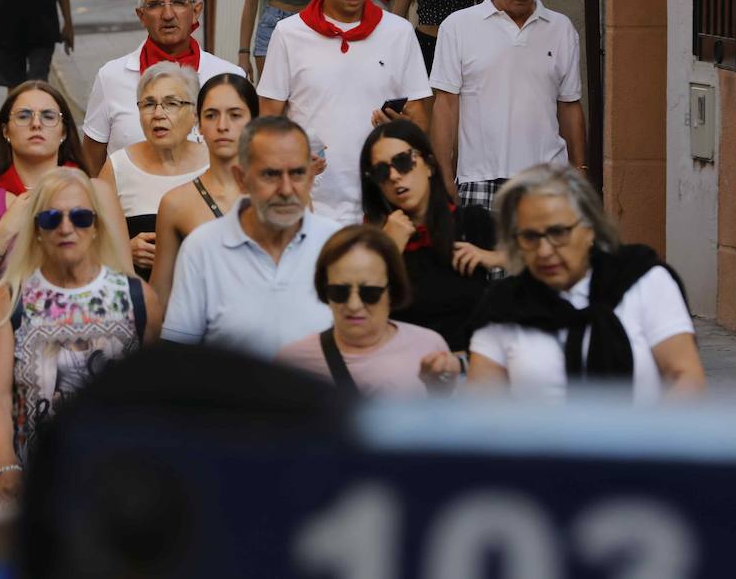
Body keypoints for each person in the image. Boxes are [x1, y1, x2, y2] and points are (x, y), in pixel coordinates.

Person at [431, 164, 706, 403]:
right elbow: (482, 408)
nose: (544, 251)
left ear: (589, 230)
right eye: (529, 237)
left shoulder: (642, 280)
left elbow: (685, 377)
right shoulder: (503, 307)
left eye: (558, 233)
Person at [0, 167, 161, 507]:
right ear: (35, 229)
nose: (66, 228)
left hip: (121, 484)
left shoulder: (138, 297)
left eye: (80, 217)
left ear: (96, 227)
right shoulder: (9, 299)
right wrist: (4, 468)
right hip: (35, 485)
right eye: (51, 218)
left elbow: (156, 394)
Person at [258, 0, 432, 222]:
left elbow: (421, 120)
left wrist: (402, 124)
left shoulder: (399, 33)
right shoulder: (288, 35)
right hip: (309, 208)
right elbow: (267, 124)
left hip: (383, 208)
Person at [429, 0, 586, 210]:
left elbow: (570, 105)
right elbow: (445, 106)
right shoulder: (458, 27)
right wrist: (444, 175)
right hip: (480, 178)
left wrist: (580, 170)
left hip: (548, 178)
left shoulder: (561, 29)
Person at [0, 80, 128, 313]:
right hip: (14, 339)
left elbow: (125, 281)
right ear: (5, 130)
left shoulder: (97, 192)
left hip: (93, 333)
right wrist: (4, 231)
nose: (36, 123)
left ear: (63, 131)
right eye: (23, 116)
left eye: (49, 116)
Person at [162, 116, 339, 357]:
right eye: (270, 175)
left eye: (297, 173)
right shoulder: (202, 248)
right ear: (241, 179)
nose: (286, 190)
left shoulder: (336, 243)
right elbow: (177, 354)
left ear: (311, 176)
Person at [81, 0, 243, 170]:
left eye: (178, 2)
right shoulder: (111, 77)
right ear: (141, 16)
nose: (167, 14)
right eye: (156, 5)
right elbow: (91, 165)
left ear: (195, 11)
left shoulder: (228, 78)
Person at [360, 119, 500, 352]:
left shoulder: (471, 221)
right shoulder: (371, 242)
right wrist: (387, 250)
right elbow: (359, 313)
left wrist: (494, 258)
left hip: (471, 370)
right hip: (404, 372)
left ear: (429, 165)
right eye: (382, 171)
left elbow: (540, 257)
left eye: (403, 161)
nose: (394, 176)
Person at [277, 225, 449, 397]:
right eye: (339, 292)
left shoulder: (429, 347)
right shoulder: (293, 362)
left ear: (392, 291)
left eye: (370, 293)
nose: (354, 305)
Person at [149, 73, 258, 306]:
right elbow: (161, 292)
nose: (222, 126)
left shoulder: (280, 193)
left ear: (255, 121)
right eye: (211, 115)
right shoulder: (176, 203)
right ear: (198, 123)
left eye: (235, 115)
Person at [98, 63, 208, 279]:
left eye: (171, 104)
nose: (158, 113)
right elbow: (91, 242)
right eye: (149, 104)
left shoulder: (215, 164)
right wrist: (125, 251)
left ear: (195, 113)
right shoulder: (118, 167)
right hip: (141, 296)